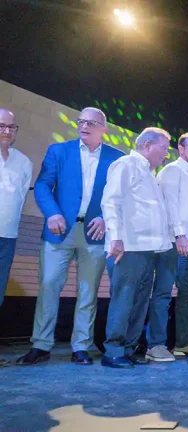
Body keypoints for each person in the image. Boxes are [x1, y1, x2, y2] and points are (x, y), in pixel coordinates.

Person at [17, 107, 123, 366]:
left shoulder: (117, 158)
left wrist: (107, 218)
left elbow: (122, 196)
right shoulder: (59, 151)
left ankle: (81, 346)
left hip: (96, 233)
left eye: (91, 123)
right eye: (81, 122)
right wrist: (52, 212)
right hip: (58, 231)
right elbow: (42, 185)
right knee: (49, 285)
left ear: (103, 128)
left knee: (88, 291)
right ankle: (41, 344)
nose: (83, 126)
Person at [100, 127, 172, 368]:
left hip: (148, 249)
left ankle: (128, 349)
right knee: (124, 299)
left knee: (140, 302)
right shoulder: (126, 164)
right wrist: (116, 238)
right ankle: (113, 351)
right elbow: (111, 202)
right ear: (148, 145)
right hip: (128, 248)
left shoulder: (150, 173)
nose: (166, 154)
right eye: (164, 148)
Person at [145, 133, 188, 361]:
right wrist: (180, 235)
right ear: (180, 148)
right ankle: (156, 343)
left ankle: (183, 341)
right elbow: (169, 205)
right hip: (172, 241)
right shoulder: (171, 171)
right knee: (162, 292)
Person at [0, 108, 32, 367]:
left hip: (7, 237)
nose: (7, 131)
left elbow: (19, 198)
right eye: (2, 126)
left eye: (11, 127)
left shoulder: (23, 162)